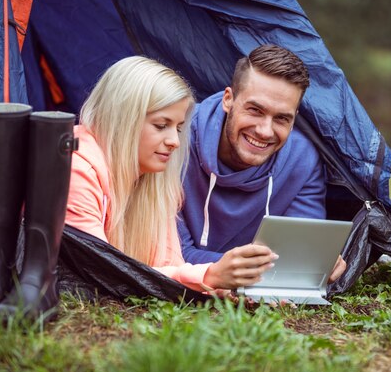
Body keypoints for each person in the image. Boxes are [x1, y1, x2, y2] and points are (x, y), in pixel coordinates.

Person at [65, 56, 278, 292]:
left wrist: (216, 288)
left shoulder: (153, 182)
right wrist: (208, 276)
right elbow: (102, 271)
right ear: (123, 118)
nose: (175, 142)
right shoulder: (76, 171)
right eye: (160, 125)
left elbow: (168, 267)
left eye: (178, 128)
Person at [178, 44, 345, 281]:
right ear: (228, 99)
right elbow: (168, 254)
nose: (265, 131)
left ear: (294, 119)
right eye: (255, 110)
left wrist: (318, 263)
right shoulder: (176, 140)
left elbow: (298, 260)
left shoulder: (302, 160)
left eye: (281, 118)